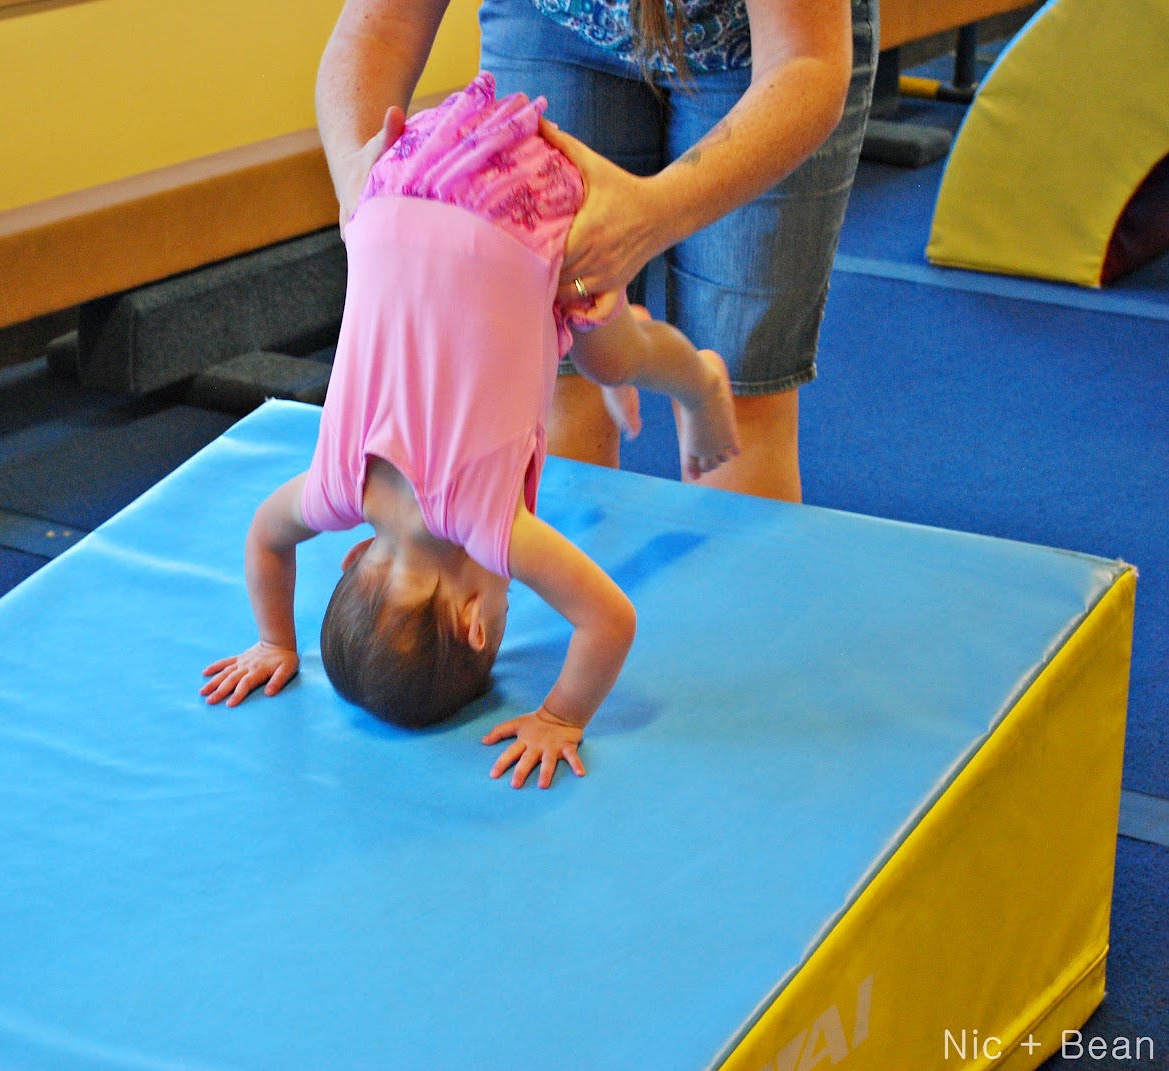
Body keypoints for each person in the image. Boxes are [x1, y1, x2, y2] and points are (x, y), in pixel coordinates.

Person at [200, 74, 738, 789]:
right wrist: (275, 639)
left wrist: (562, 716)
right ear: (353, 555)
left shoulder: (486, 526)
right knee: (566, 344)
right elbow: (265, 537)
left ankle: (701, 383)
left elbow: (610, 621)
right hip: (405, 172)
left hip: (523, 210)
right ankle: (591, 350)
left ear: (475, 623)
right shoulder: (338, 488)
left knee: (615, 352)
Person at [317, 0, 877, 502]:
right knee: (557, 378)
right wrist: (356, 180)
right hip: (558, 24)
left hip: (756, 51)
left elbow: (806, 61)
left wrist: (651, 214)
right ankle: (674, 371)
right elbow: (376, 29)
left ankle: (702, 386)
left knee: (743, 393)